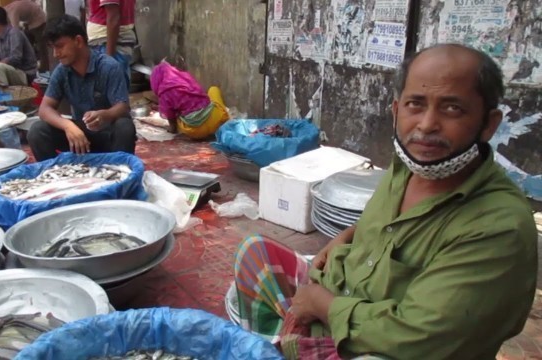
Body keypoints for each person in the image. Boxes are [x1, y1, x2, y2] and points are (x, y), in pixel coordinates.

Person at [233, 44, 538, 360]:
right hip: (340, 298)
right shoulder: (408, 165)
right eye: (415, 105)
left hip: (388, 347)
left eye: (452, 109)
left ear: (488, 124)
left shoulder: (500, 226)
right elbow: (386, 223)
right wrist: (346, 236)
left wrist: (321, 305)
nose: (427, 124)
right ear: (396, 111)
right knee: (254, 254)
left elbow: (420, 337)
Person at [28, 15, 136, 162]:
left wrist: (105, 115)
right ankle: (55, 176)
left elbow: (123, 107)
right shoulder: (61, 71)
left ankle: (121, 173)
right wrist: (67, 126)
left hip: (107, 134)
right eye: (53, 48)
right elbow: (44, 109)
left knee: (125, 127)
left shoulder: (109, 66)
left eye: (60, 46)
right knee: (37, 131)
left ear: (78, 41)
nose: (55, 54)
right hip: (80, 136)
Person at [150, 61, 230, 140]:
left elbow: (171, 118)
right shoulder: (185, 77)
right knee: (213, 89)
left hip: (194, 131)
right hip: (215, 121)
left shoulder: (164, 93)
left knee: (175, 115)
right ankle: (223, 116)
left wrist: (172, 129)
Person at [86, 0, 136, 89]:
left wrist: (108, 58)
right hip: (110, 44)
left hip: (107, 44)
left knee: (109, 94)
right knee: (116, 93)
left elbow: (113, 17)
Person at [4, 0, 49, 72]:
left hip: (39, 19)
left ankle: (45, 67)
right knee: (27, 45)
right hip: (29, 21)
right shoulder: (7, 9)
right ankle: (29, 65)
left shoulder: (11, 12)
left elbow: (15, 31)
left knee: (41, 46)